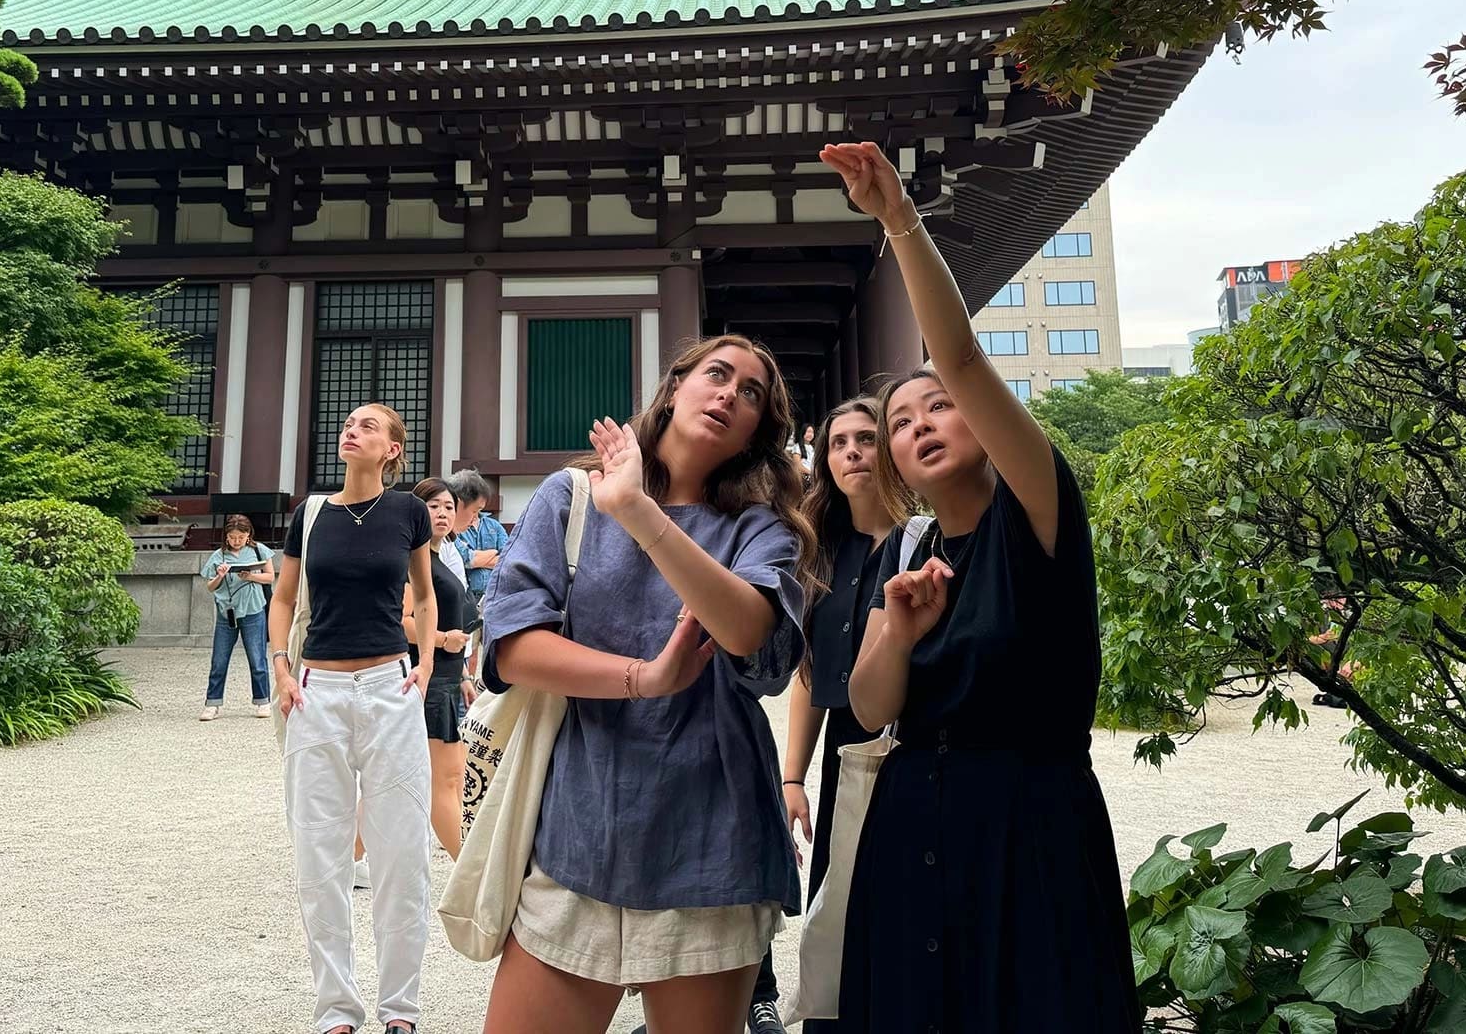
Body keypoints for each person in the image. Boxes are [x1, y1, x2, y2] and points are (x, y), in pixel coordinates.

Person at [823, 140, 1139, 1032]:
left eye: (939, 408)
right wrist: (896, 628)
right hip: (912, 833)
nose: (921, 424)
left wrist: (899, 221)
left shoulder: (1037, 511)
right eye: (900, 423)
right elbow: (871, 704)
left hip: (1029, 832)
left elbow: (958, 354)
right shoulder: (909, 553)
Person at [477, 335, 814, 1034]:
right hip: (579, 826)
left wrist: (637, 511)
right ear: (675, 387)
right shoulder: (569, 496)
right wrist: (645, 678)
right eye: (716, 374)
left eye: (751, 393)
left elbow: (750, 634)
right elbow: (512, 646)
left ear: (758, 432)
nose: (729, 393)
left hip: (711, 838)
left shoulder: (760, 529)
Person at [268, 403, 438, 1034]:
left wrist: (423, 662)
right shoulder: (310, 514)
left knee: (402, 854)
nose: (350, 430)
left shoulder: (408, 512)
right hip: (318, 693)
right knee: (320, 853)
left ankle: (401, 1011)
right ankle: (336, 1011)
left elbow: (423, 593)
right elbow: (283, 599)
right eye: (346, 423)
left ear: (392, 449)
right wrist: (282, 670)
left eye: (368, 426)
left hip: (392, 688)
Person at [764, 396, 912, 1033]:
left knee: (903, 909)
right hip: (848, 751)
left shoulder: (926, 537)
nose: (852, 451)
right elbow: (812, 673)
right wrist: (793, 777)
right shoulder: (822, 551)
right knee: (838, 909)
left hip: (915, 746)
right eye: (838, 442)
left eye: (867, 438)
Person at [407, 476, 480, 860]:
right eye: (433, 506)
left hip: (450, 677)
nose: (442, 513)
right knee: (445, 781)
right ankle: (470, 878)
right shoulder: (414, 561)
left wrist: (465, 674)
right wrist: (439, 640)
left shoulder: (441, 555)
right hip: (430, 677)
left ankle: (341, 859)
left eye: (449, 507)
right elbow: (401, 619)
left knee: (416, 781)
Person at [198, 515, 277, 720]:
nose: (236, 541)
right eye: (232, 537)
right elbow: (210, 586)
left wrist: (250, 576)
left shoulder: (259, 550)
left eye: (240, 537)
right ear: (226, 537)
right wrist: (220, 576)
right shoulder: (218, 556)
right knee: (219, 660)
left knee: (257, 658)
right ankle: (212, 703)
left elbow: (270, 577)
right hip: (227, 612)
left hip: (253, 610)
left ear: (248, 535)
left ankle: (263, 701)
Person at [448, 467, 506, 601]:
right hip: (465, 597)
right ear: (459, 503)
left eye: (478, 511)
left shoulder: (493, 526)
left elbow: (508, 559)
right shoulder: (449, 533)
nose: (475, 516)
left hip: (493, 596)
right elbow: (465, 558)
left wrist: (477, 559)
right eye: (474, 510)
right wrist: (494, 553)